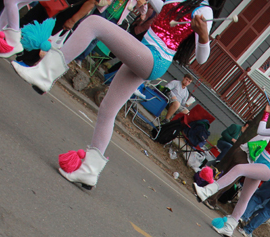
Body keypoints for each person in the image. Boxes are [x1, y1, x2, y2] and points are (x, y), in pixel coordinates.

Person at [12, 0, 223, 189]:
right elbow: (160, 5)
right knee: (107, 109)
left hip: (154, 57)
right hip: (144, 51)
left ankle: (45, 73)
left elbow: (203, 57)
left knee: (93, 23)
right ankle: (90, 171)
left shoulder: (203, 8)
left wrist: (203, 36)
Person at [196, 108, 270, 237]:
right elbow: (261, 131)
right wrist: (266, 114)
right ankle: (229, 227)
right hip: (259, 163)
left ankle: (207, 191)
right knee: (245, 197)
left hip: (269, 168)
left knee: (239, 169)